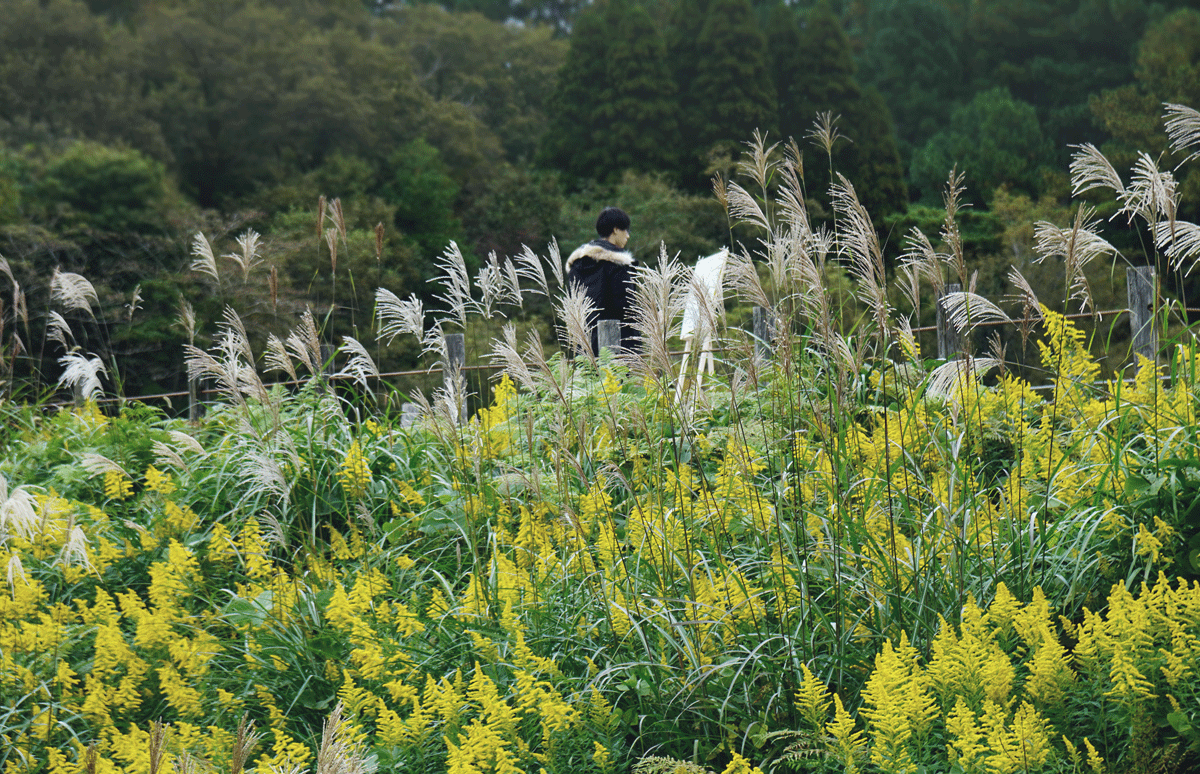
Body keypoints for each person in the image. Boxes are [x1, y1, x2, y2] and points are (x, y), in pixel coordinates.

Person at [566, 206, 637, 355]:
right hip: (618, 343)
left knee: (588, 377)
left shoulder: (577, 265)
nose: (628, 236)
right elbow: (626, 306)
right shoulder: (618, 263)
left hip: (584, 342)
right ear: (616, 229)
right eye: (626, 230)